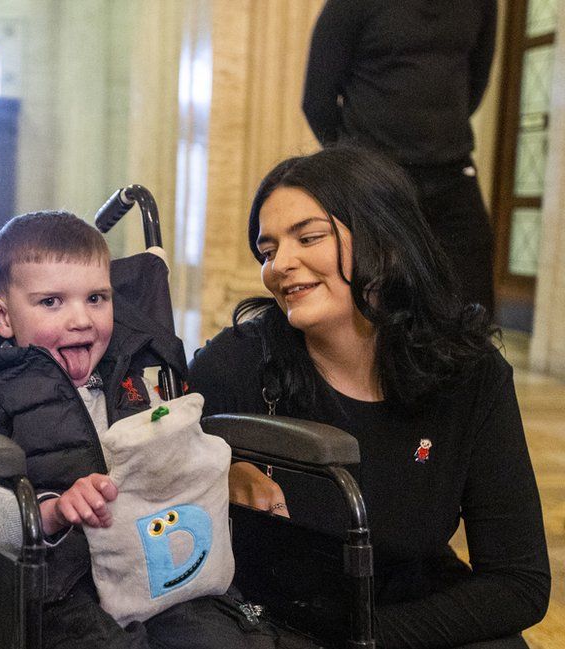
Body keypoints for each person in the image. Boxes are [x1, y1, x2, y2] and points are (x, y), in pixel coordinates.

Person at [189, 147, 550, 649]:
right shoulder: (239, 363)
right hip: (272, 624)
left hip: (397, 617)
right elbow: (146, 469)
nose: (279, 266)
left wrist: (367, 639)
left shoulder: (469, 375)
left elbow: (519, 582)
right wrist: (211, 471)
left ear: (386, 242)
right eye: (267, 250)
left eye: (308, 237)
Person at [0, 212, 296, 648]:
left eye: (96, 299)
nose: (81, 319)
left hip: (158, 569)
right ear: (3, 317)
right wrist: (50, 513)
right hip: (53, 590)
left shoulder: (137, 378)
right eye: (51, 302)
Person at [302, 0, 498, 315]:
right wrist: (356, 165)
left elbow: (476, 83)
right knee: (379, 309)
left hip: (452, 172)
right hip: (376, 182)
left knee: (473, 310)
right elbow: (317, 99)